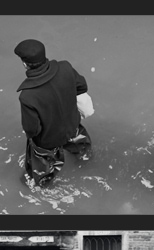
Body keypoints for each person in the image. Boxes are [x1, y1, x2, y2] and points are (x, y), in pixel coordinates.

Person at [14, 39, 92, 188]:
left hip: (48, 142)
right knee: (84, 152)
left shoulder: (27, 96)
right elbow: (82, 86)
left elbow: (32, 130)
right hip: (73, 126)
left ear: (24, 63)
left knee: (40, 174)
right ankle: (86, 162)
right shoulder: (66, 68)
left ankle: (44, 186)